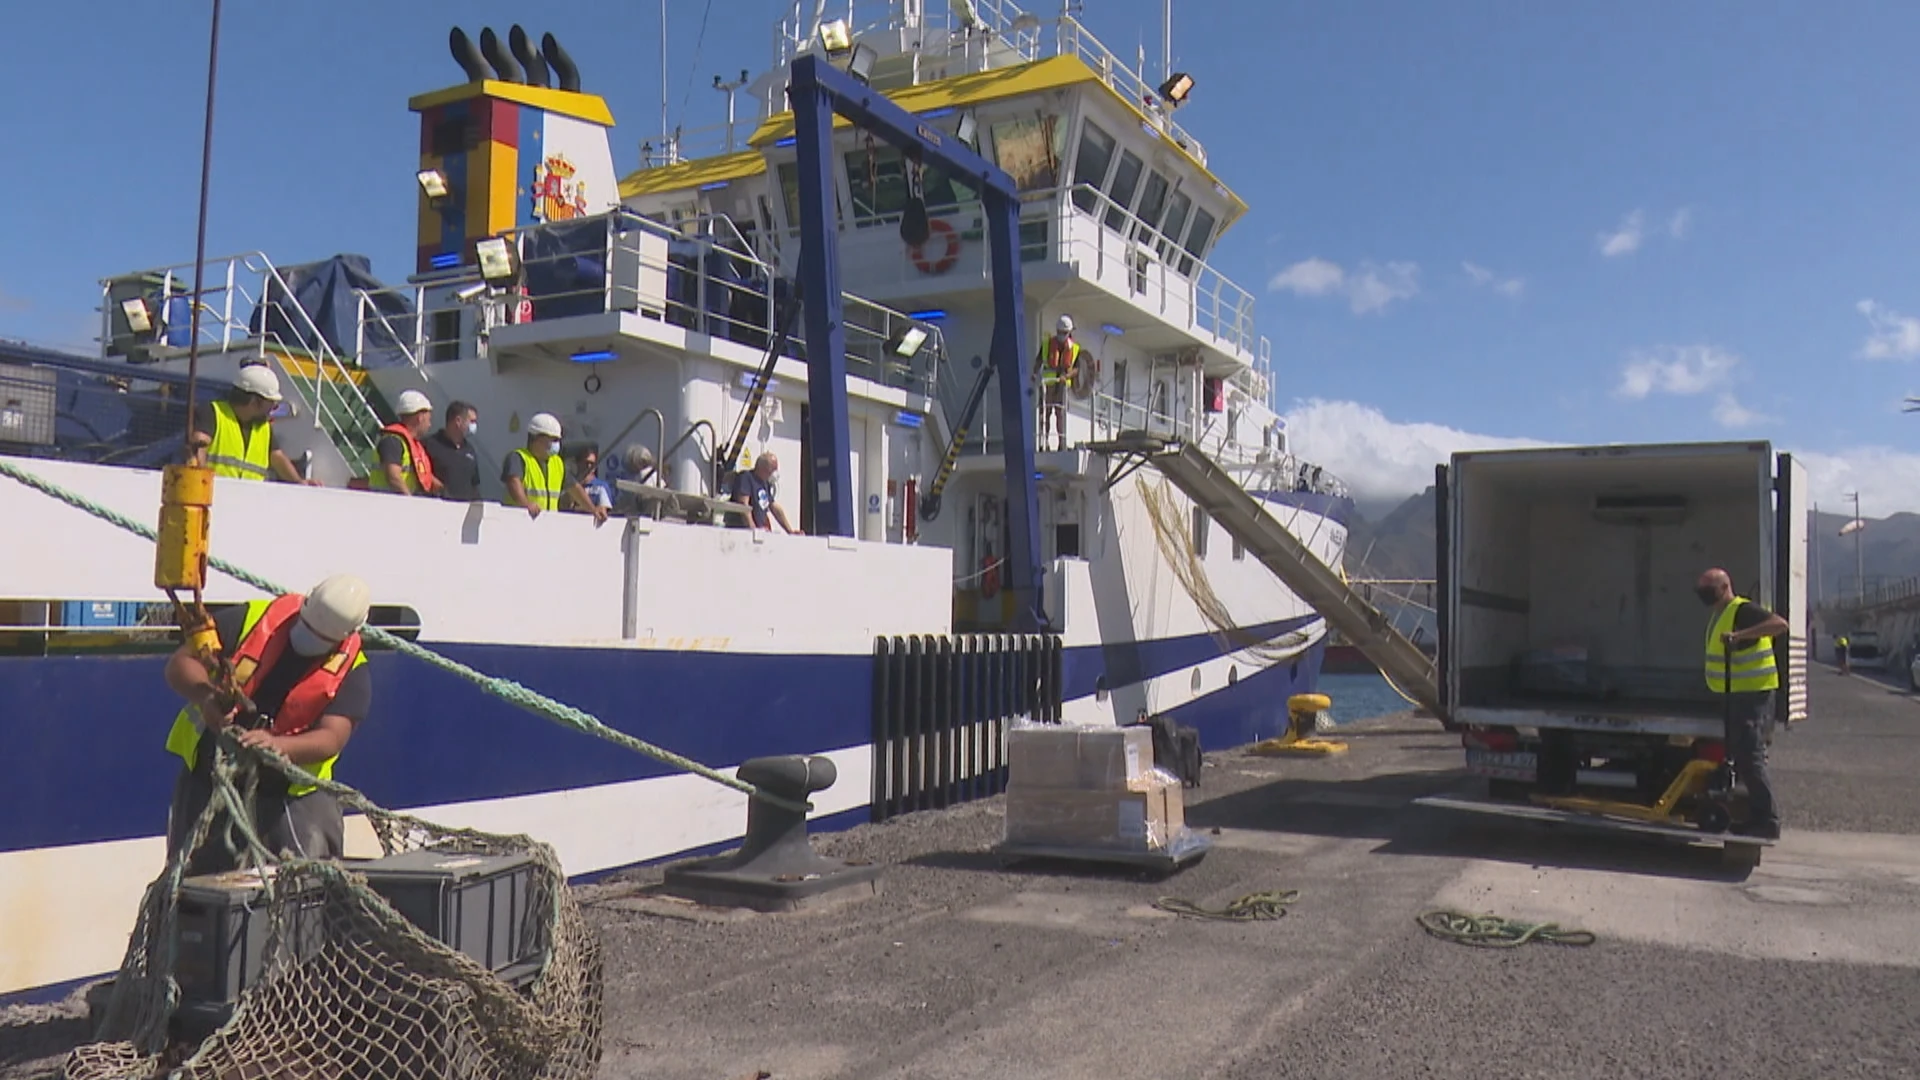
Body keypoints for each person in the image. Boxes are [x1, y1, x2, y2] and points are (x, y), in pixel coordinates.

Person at [161, 574, 374, 874]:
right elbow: (181, 664)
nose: (307, 638)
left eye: (320, 637)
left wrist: (278, 745)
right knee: (194, 883)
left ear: (348, 634)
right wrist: (206, 698)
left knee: (301, 887)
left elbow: (332, 737)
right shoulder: (252, 617)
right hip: (210, 777)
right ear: (304, 603)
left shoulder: (353, 671)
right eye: (307, 626)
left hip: (290, 796)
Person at [1697, 567, 1789, 839]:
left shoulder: (1741, 610)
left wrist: (1740, 636)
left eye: (1707, 587)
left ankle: (1767, 820)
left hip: (1753, 696)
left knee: (1751, 758)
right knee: (1744, 757)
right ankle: (1756, 816)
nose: (1702, 593)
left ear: (1724, 587)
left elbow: (1779, 624)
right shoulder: (1720, 614)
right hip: (1738, 695)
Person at [187, 364, 320, 485]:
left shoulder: (264, 427)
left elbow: (277, 458)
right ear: (255, 401)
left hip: (251, 501)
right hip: (217, 497)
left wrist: (299, 481)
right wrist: (202, 480)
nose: (273, 408)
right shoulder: (213, 413)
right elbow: (198, 447)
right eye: (271, 403)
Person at [502, 412, 607, 523]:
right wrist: (525, 504)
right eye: (552, 439)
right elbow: (514, 483)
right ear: (536, 438)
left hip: (548, 523)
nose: (556, 444)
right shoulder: (518, 458)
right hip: (520, 522)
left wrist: (592, 509)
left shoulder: (557, 463)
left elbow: (574, 488)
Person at [366, 389, 442, 496]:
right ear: (420, 418)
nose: (429, 424)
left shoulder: (411, 443)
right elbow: (393, 476)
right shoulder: (392, 441)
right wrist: (409, 501)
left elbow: (422, 474)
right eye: (428, 419)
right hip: (386, 503)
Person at [1030, 314, 1085, 453]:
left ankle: (1062, 443)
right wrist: (1034, 373)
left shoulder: (1075, 348)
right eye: (1060, 332)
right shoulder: (1048, 344)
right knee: (1045, 413)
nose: (1062, 335)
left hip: (1062, 384)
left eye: (1064, 333)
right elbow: (1038, 361)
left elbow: (1077, 369)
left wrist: (1066, 376)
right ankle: (1044, 442)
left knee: (1060, 414)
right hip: (1048, 383)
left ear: (1070, 332)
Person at [424, 400, 482, 502]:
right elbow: (422, 473)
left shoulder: (470, 450)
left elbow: (474, 485)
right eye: (471, 421)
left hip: (463, 510)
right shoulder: (429, 444)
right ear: (458, 421)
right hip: (436, 507)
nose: (474, 426)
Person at [730, 451, 796, 533]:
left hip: (761, 531)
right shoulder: (746, 478)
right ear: (763, 467)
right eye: (773, 469)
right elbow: (743, 504)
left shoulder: (765, 483)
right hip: (742, 531)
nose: (774, 473)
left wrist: (790, 531)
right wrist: (753, 529)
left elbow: (774, 508)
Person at [571, 443, 613, 513]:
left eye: (592, 464)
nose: (589, 466)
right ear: (578, 463)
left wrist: (577, 508)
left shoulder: (601, 487)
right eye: (586, 463)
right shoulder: (571, 485)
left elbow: (603, 511)